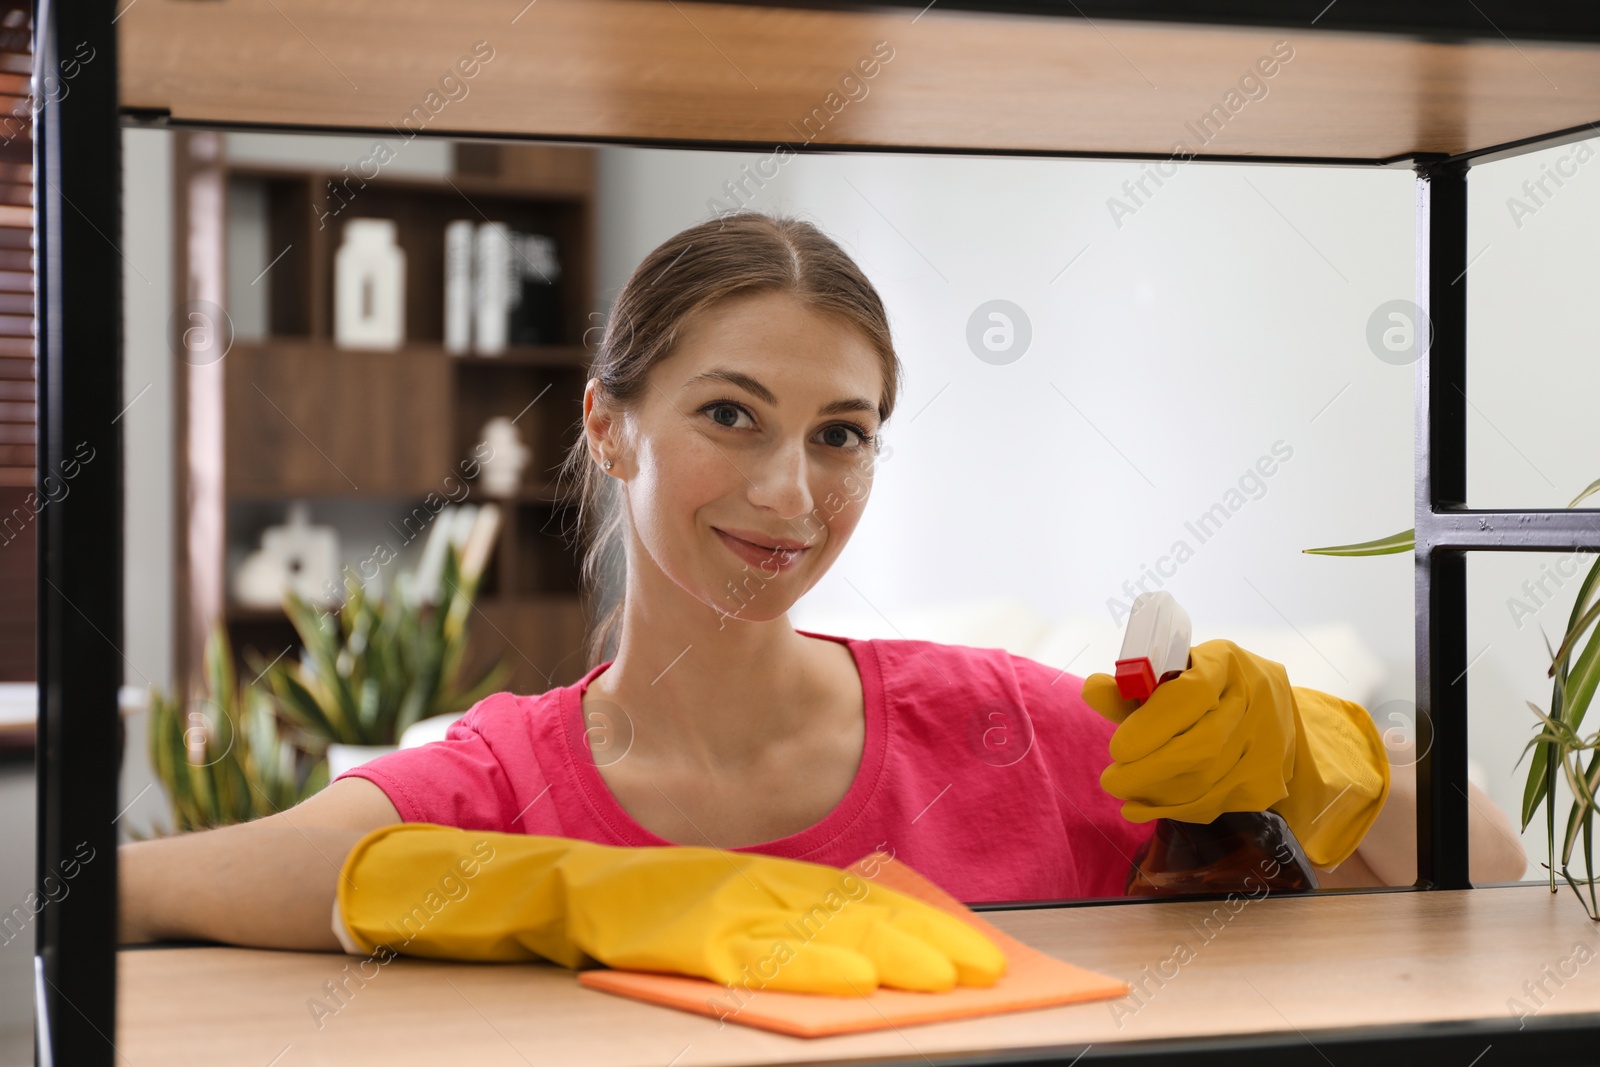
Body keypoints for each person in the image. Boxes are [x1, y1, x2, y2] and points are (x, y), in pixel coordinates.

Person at [119, 212, 1526, 976]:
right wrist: (554, 891)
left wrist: (1322, 756)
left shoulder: (1006, 728)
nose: (791, 495)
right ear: (610, 426)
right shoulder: (497, 787)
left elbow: (1488, 859)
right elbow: (133, 895)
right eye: (731, 415)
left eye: (841, 434)